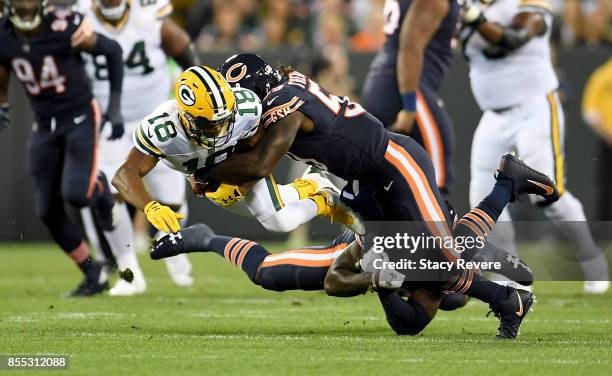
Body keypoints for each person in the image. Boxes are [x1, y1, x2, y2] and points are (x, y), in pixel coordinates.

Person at [202, 53, 560, 339]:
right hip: (367, 186)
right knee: (435, 265)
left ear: (257, 90)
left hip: (395, 166)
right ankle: (506, 188)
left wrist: (203, 170)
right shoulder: (282, 91)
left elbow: (262, 164)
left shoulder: (285, 103)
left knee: (443, 260)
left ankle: (509, 299)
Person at [112, 65, 363, 246]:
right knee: (278, 218)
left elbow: (260, 145)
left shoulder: (245, 107)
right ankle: (315, 186)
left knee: (280, 222)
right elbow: (124, 173)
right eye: (210, 125)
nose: (219, 130)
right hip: (210, 180)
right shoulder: (163, 129)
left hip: (233, 167)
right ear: (185, 116)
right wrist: (150, 207)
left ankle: (323, 196)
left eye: (224, 121)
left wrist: (236, 174)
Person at [462, 0, 609, 294]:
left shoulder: (525, 3)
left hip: (535, 106)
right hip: (493, 113)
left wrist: (474, 19)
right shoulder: (463, 9)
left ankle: (592, 259)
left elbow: (511, 39)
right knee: (481, 197)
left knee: (547, 193)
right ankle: (509, 272)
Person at [0, 0, 124, 296]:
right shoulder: (3, 32)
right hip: (43, 124)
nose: (25, 6)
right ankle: (93, 273)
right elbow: (4, 62)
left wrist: (115, 107)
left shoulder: (64, 25)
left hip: (79, 116)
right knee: (47, 211)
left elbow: (112, 50)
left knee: (77, 194)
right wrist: (2, 101)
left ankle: (102, 189)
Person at [79, 0, 201, 295]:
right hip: (109, 122)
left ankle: (173, 242)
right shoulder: (79, 15)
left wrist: (198, 88)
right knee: (110, 195)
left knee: (171, 201)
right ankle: (128, 270)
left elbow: (182, 46)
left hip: (157, 119)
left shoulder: (149, 13)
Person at [361, 0, 461, 193]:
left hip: (387, 82)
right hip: (405, 87)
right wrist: (409, 106)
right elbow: (410, 46)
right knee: (437, 180)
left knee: (392, 187)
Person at [582, 58, 612, 222]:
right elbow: (591, 113)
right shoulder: (604, 75)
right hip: (607, 144)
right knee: (606, 189)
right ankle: (603, 232)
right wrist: (608, 135)